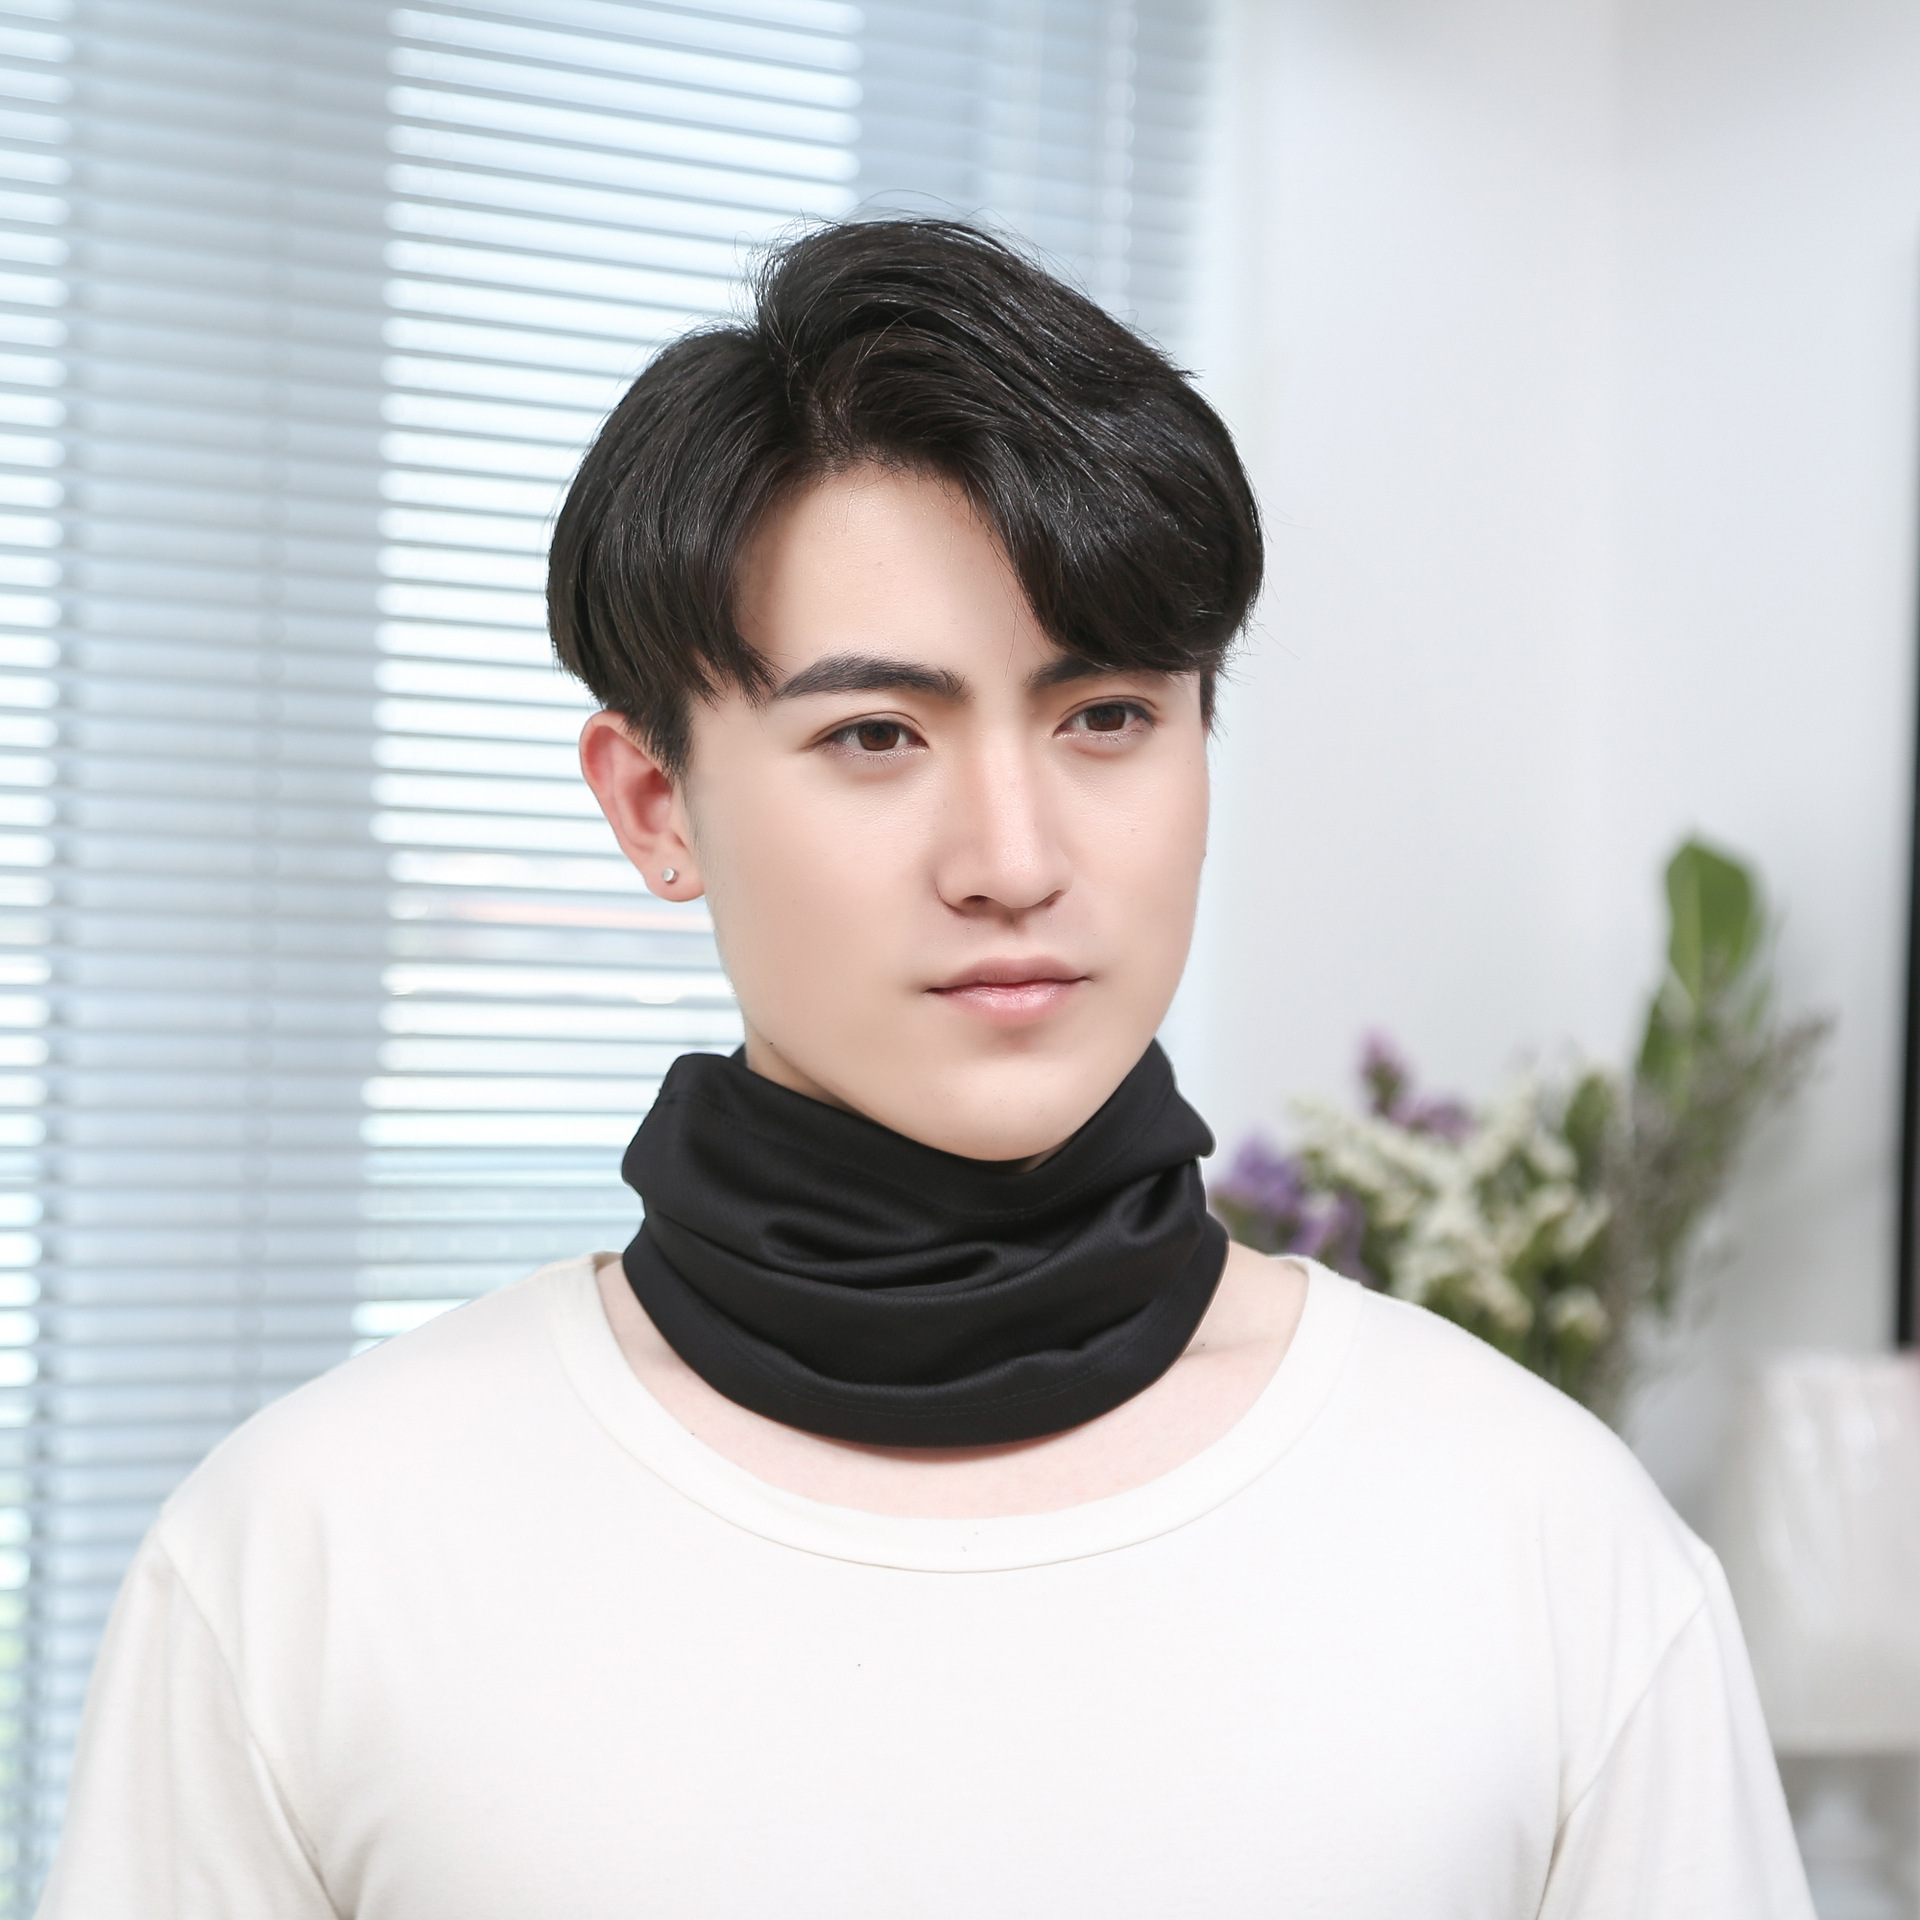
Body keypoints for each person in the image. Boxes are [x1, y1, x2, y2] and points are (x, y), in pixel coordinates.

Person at [40, 220, 1812, 1918]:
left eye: (1106, 716)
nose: (1013, 859)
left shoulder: (1538, 1530)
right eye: (877, 733)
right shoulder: (314, 1552)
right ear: (655, 803)